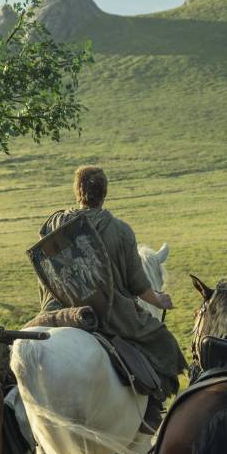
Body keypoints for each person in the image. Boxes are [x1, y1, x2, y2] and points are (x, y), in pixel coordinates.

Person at [37, 165, 187, 430]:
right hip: (109, 312)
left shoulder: (54, 224)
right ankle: (151, 413)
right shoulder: (120, 231)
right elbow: (136, 283)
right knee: (164, 344)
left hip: (58, 309)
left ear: (77, 192)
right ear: (104, 193)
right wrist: (159, 301)